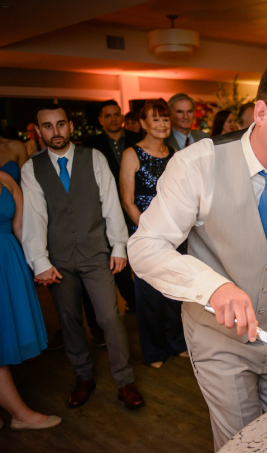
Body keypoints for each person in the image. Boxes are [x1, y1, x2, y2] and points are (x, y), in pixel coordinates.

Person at [128, 54, 267, 450]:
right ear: (261, 113)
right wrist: (212, 286)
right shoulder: (197, 165)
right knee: (243, 443)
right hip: (217, 339)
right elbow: (145, 247)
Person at [22, 104, 144, 409]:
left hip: (96, 253)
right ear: (38, 131)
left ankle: (125, 381)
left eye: (60, 124)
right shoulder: (31, 168)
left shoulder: (94, 157)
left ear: (71, 126)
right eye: (47, 126)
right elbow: (34, 217)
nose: (55, 131)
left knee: (111, 318)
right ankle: (83, 376)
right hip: (58, 259)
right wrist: (40, 261)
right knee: (69, 319)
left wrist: (119, 246)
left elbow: (111, 204)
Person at [0, 142, 61, 432]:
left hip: (10, 265)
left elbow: (23, 229)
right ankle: (21, 415)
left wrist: (39, 264)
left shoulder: (3, 178)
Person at [119, 99, 187, 369]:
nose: (161, 124)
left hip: (174, 233)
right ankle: (154, 351)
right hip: (145, 235)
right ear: (143, 123)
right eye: (155, 119)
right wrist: (152, 232)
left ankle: (177, 343)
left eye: (165, 119)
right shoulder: (131, 154)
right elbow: (128, 201)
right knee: (149, 295)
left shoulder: (174, 154)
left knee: (174, 293)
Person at [84, 100, 138, 311]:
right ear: (100, 119)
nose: (113, 119)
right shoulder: (91, 145)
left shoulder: (137, 139)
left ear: (122, 117)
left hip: (137, 207)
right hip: (108, 210)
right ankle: (133, 301)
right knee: (117, 255)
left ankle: (145, 299)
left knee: (140, 254)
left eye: (116, 114)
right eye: (108, 115)